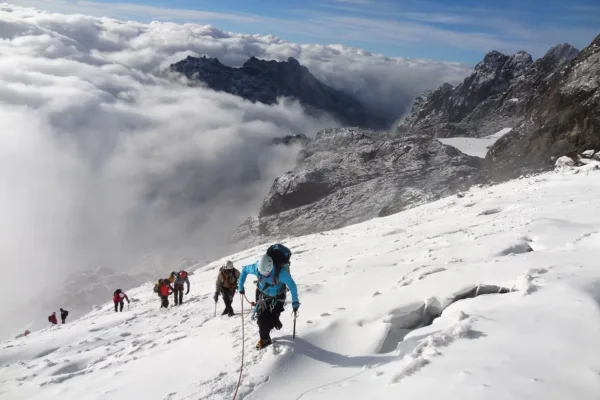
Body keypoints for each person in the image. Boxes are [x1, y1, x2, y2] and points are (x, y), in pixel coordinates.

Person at [238, 245, 300, 350]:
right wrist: (240, 286)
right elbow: (244, 270)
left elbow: (292, 286)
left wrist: (295, 302)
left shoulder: (281, 273)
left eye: (267, 274)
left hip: (278, 296)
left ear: (271, 268)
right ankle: (265, 339)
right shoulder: (257, 268)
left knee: (271, 318)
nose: (264, 276)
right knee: (262, 319)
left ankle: (273, 321)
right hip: (262, 294)